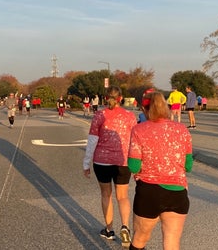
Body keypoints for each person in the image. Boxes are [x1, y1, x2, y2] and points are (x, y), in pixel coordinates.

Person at [128, 90, 193, 250]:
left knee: (140, 238)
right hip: (177, 192)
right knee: (172, 242)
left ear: (145, 109)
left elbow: (134, 166)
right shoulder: (182, 129)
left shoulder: (139, 130)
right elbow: (188, 166)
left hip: (149, 191)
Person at [82, 86, 137, 246]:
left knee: (106, 194)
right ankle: (125, 227)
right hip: (123, 161)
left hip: (102, 161)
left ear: (106, 98)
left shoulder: (100, 115)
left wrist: (86, 163)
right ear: (120, 98)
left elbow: (92, 140)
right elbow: (135, 140)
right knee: (123, 196)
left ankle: (109, 229)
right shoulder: (129, 116)